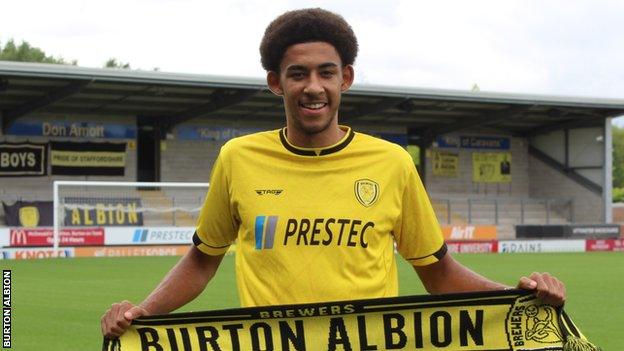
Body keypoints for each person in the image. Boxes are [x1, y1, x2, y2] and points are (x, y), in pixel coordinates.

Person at [101, 8, 565, 338]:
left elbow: (437, 272)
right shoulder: (237, 158)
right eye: (298, 74)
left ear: (346, 77)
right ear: (275, 83)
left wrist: (517, 295)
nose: (313, 87)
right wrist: (142, 311)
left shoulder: (392, 162)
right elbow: (203, 259)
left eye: (326, 72)